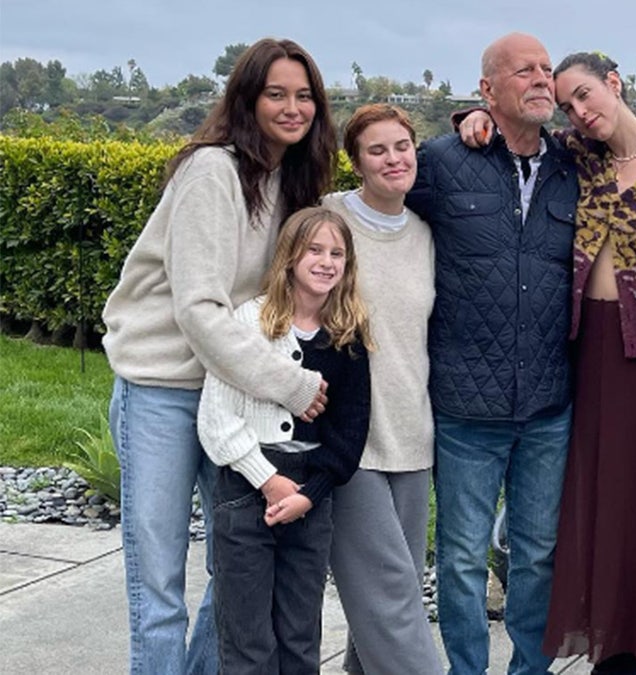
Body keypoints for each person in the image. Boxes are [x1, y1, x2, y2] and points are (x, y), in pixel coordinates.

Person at [460, 50, 636, 675]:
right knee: (589, 501)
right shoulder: (576, 153)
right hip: (582, 348)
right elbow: (514, 129)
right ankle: (603, 638)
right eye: (568, 105)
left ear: (614, 84)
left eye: (586, 96)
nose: (580, 112)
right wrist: (472, 116)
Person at [101, 38, 335, 675]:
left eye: (304, 95)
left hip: (231, 395)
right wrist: (288, 384)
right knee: (158, 584)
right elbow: (198, 311)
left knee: (238, 569)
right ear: (247, 99)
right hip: (163, 391)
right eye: (276, 94)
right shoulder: (213, 172)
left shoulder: (294, 180)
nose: (293, 107)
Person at [404, 33, 578, 675]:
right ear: (486, 90)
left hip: (548, 407)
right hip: (464, 410)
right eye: (524, 70)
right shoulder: (443, 162)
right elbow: (378, 201)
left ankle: (528, 669)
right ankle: (466, 670)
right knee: (459, 556)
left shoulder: (572, 165)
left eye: (546, 69)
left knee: (536, 553)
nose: (541, 78)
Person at [197, 207, 372, 674]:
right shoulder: (248, 323)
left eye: (337, 253)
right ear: (290, 256)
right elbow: (217, 417)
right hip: (245, 491)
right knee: (248, 642)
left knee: (299, 638)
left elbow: (351, 432)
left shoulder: (346, 336)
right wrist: (269, 481)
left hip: (311, 499)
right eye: (314, 249)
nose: (325, 261)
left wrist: (308, 496)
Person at [322, 104, 441, 674]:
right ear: (356, 163)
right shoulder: (328, 223)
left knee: (391, 597)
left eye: (402, 146)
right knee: (391, 597)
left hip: (412, 435)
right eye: (377, 150)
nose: (394, 159)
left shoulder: (424, 234)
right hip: (350, 438)